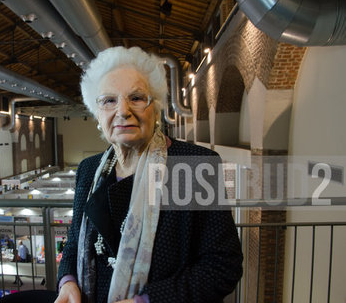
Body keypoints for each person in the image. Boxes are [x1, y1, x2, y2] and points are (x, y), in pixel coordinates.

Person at [55, 47, 243, 303]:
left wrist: (146, 301)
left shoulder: (193, 166)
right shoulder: (88, 171)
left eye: (136, 98)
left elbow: (222, 267)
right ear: (97, 114)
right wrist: (67, 282)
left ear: (156, 109)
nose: (122, 111)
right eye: (109, 100)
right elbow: (74, 242)